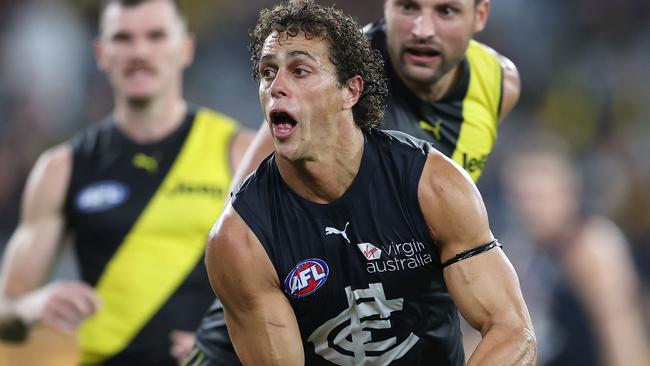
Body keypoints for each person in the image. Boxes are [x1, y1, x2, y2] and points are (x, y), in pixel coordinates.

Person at [186, 0, 520, 364]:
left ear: (351, 90)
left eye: (299, 71)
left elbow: (512, 330)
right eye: (267, 73)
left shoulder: (435, 182)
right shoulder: (242, 236)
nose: (277, 86)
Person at [0, 0, 253, 365]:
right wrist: (31, 306)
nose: (139, 51)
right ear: (101, 53)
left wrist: (225, 338)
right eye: (123, 38)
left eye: (155, 36)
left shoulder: (239, 154)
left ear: (186, 48)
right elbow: (7, 308)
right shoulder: (63, 167)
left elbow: (296, 282)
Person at [502, 134, 649, 366]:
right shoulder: (525, 252)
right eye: (521, 198)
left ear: (568, 195)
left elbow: (623, 340)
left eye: (539, 198)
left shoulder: (593, 248)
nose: (529, 210)